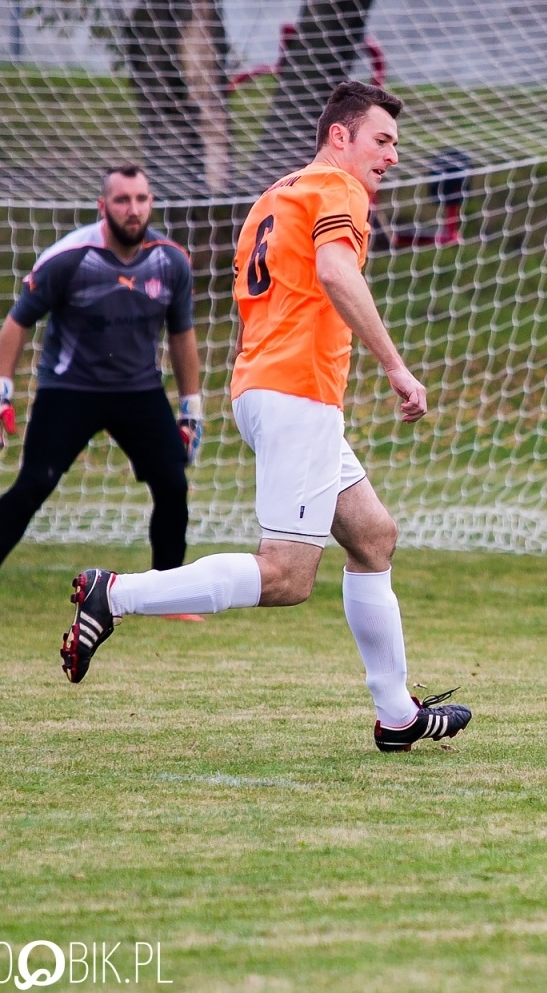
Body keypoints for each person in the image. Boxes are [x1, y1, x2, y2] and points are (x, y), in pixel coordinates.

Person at [59, 81, 471, 753]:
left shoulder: (277, 194)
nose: (393, 156)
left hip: (264, 386)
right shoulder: (339, 190)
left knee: (372, 535)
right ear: (340, 136)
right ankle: (117, 593)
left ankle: (397, 713)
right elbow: (337, 273)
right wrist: (397, 366)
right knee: (285, 576)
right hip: (296, 394)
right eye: (383, 140)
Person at [0, 165, 202, 624]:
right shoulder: (69, 258)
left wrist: (191, 407)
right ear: (103, 207)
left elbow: (182, 335)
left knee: (173, 484)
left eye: (142, 199)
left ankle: (168, 594)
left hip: (139, 391)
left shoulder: (171, 261)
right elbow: (17, 323)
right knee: (33, 486)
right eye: (122, 200)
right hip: (69, 390)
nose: (133, 209)